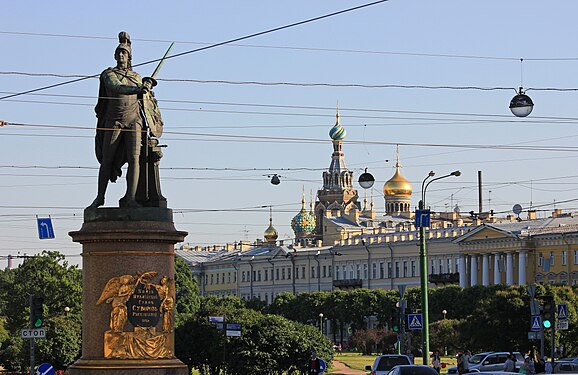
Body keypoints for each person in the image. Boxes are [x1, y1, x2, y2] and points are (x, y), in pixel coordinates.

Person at [89, 31, 154, 209]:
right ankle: (100, 197)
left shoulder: (137, 77)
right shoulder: (108, 74)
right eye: (118, 53)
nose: (120, 55)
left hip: (134, 120)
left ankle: (131, 198)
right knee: (107, 160)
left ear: (129, 57)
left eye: (123, 53)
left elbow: (146, 102)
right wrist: (139, 89)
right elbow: (116, 87)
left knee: (135, 159)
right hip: (114, 120)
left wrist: (147, 87)